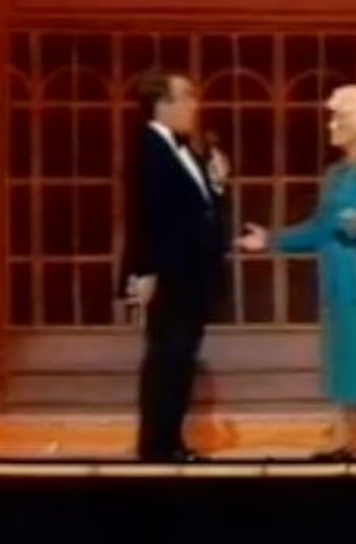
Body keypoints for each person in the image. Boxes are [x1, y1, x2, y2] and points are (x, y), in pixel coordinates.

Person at [237, 84, 356, 459]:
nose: (330, 125)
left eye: (339, 118)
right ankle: (346, 439)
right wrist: (271, 239)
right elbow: (319, 229)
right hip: (339, 279)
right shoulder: (335, 174)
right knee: (344, 356)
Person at [121, 69, 230, 462]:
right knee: (165, 360)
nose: (194, 105)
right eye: (185, 97)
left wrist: (217, 185)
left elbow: (201, 211)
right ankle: (156, 447)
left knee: (180, 360)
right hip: (167, 275)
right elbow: (143, 213)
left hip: (191, 276)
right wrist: (144, 270)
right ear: (161, 104)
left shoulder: (184, 149)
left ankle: (171, 443)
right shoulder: (147, 146)